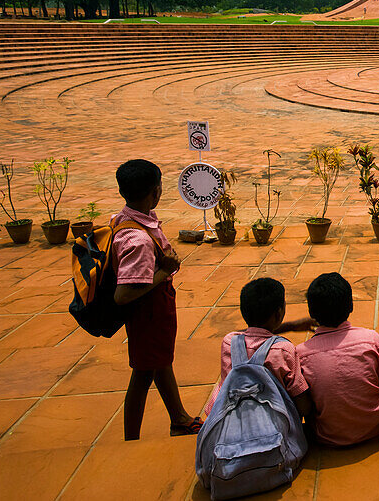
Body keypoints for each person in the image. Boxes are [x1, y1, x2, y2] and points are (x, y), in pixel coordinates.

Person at [111, 159, 201, 440]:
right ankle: (131, 438)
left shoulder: (125, 218)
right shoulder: (137, 239)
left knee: (160, 363)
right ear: (155, 192)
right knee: (142, 374)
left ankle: (179, 418)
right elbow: (123, 294)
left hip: (155, 312)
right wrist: (165, 271)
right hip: (148, 313)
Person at [297, 272, 379, 446]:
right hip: (377, 426)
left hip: (327, 436)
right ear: (351, 306)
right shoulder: (370, 339)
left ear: (311, 312)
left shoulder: (301, 354)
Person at [203, 278, 314, 418]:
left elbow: (246, 333)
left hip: (229, 422)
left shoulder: (229, 342)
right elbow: (303, 406)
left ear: (243, 311)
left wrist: (290, 326)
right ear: (279, 313)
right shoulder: (284, 350)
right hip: (272, 428)